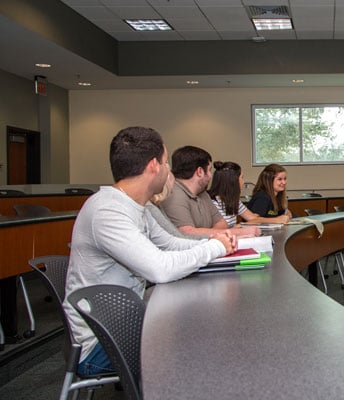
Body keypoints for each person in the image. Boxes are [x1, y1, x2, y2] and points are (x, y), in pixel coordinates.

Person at [63, 126, 237, 376]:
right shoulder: (107, 211)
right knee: (204, 338)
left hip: (125, 324)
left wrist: (217, 243)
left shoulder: (136, 206)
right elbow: (159, 269)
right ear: (154, 166)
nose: (170, 172)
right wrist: (214, 247)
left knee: (204, 322)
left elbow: (171, 244)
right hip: (101, 343)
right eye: (166, 163)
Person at [161, 146, 260, 237]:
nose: (210, 175)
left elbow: (222, 223)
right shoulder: (174, 195)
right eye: (209, 170)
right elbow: (187, 233)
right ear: (200, 172)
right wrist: (237, 232)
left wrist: (207, 234)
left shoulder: (202, 193)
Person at [207, 161, 290, 226]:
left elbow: (253, 218)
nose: (243, 182)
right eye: (242, 178)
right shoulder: (212, 203)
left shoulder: (235, 201)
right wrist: (276, 220)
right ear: (233, 181)